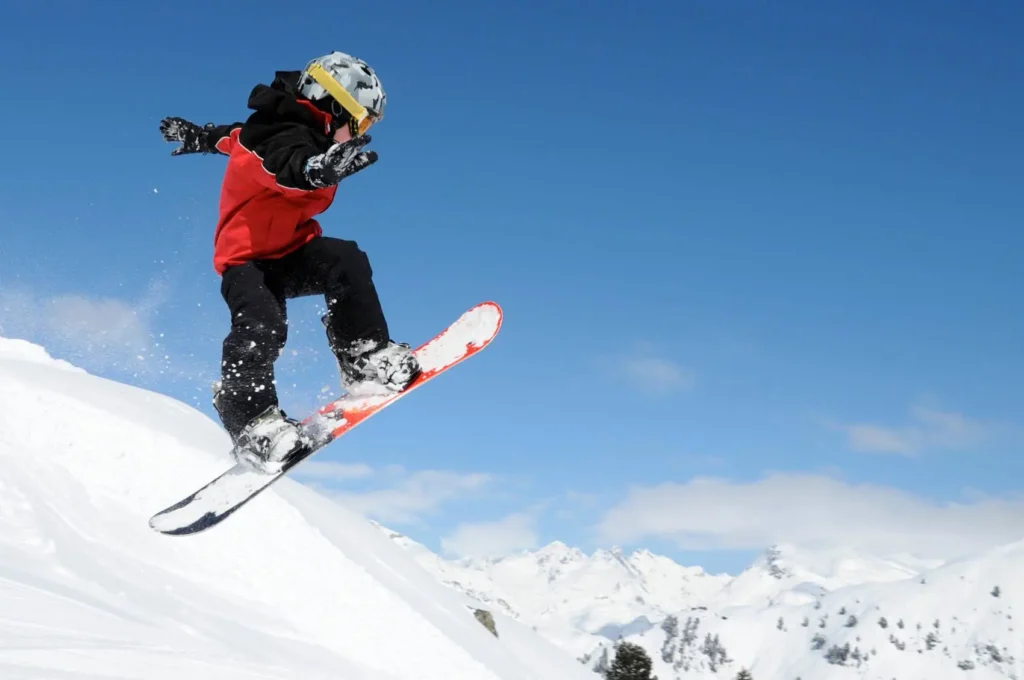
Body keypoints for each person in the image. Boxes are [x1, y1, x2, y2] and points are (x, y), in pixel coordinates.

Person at [159, 51, 420, 472]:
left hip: (290, 252)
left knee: (345, 260)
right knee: (262, 326)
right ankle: (251, 420)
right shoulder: (273, 134)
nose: (360, 132)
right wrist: (314, 170)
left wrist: (199, 137)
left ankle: (363, 355)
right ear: (335, 106)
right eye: (362, 120)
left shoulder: (290, 137)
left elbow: (228, 137)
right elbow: (283, 162)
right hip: (247, 263)